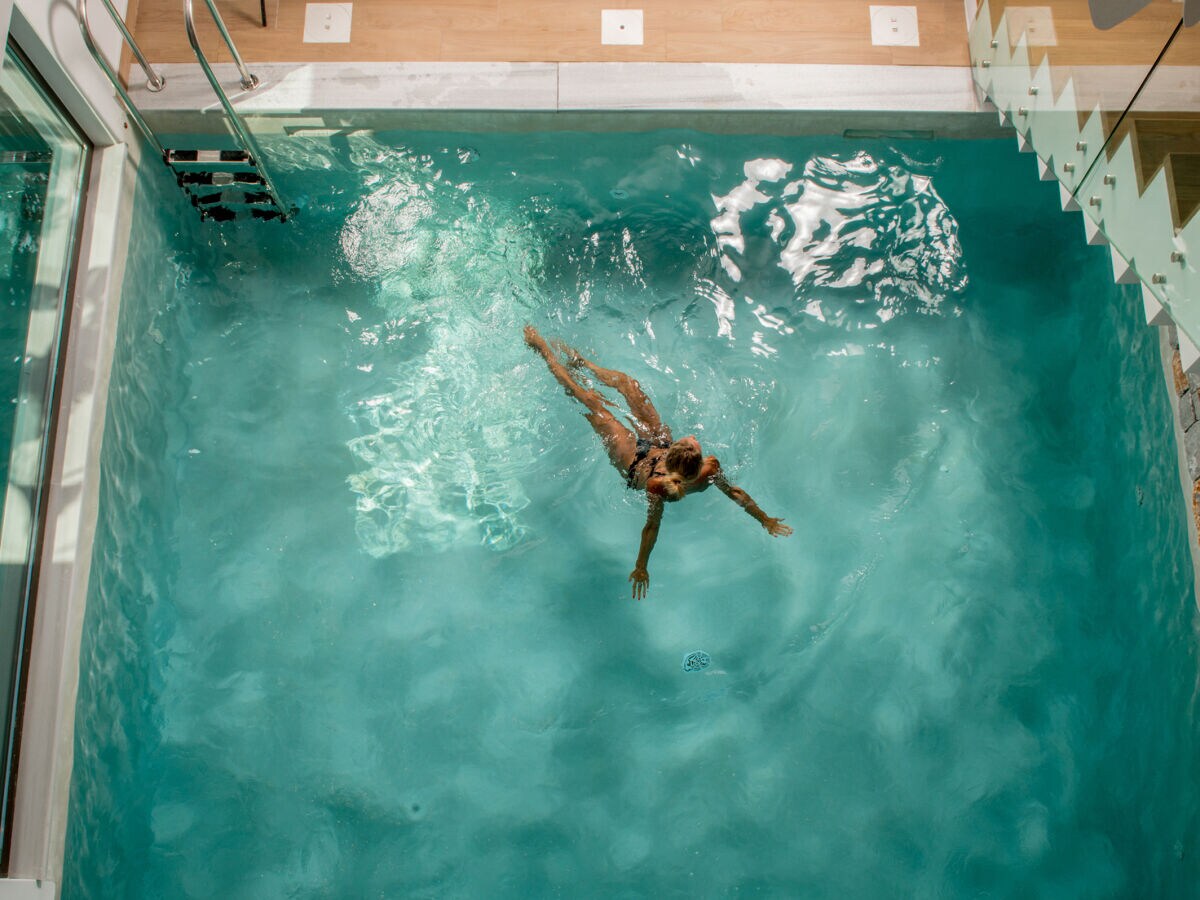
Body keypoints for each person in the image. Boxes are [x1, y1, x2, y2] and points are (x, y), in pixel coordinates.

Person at [524, 325, 792, 599]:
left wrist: (641, 566)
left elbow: (652, 526)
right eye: (688, 441)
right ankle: (582, 363)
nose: (691, 436)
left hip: (633, 461)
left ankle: (543, 350)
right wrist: (764, 519)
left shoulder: (657, 485)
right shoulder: (709, 467)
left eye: (690, 442)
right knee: (629, 385)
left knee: (592, 402)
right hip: (656, 446)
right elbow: (735, 493)